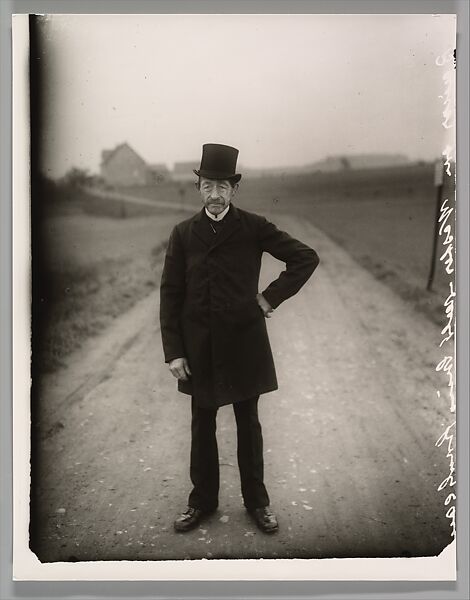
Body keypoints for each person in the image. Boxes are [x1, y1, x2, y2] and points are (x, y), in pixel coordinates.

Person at [160, 143, 319, 534]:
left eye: (223, 187)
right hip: (199, 347)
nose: (215, 195)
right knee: (202, 423)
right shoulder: (183, 234)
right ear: (199, 189)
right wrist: (175, 351)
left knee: (248, 423)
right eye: (208, 186)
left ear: (234, 190)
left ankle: (258, 503)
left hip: (244, 342)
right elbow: (170, 294)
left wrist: (268, 297)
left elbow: (305, 257)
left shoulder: (253, 226)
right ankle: (202, 502)